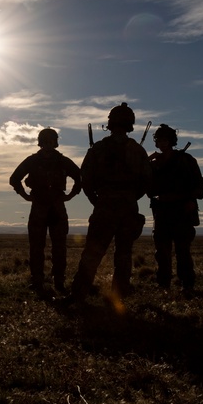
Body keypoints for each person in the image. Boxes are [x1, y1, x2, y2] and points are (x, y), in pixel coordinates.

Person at [67, 103, 152, 305]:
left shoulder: (98, 149)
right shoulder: (138, 150)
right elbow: (147, 182)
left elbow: (85, 179)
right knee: (123, 255)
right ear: (130, 124)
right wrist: (130, 197)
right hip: (128, 207)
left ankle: (78, 296)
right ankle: (119, 297)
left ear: (110, 123)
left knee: (93, 253)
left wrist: (97, 200)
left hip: (104, 205)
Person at [9, 128, 82, 295]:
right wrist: (25, 195)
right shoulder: (33, 160)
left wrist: (70, 195)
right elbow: (14, 178)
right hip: (39, 206)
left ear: (55, 142)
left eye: (51, 141)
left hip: (56, 207)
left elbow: (79, 177)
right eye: (46, 141)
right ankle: (37, 281)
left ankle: (59, 282)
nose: (48, 144)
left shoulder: (62, 161)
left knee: (59, 247)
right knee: (36, 246)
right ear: (41, 142)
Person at [148, 124, 203, 295]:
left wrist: (189, 200)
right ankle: (163, 284)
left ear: (171, 141)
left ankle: (187, 284)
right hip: (162, 211)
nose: (162, 143)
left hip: (182, 212)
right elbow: (147, 187)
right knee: (162, 252)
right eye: (159, 140)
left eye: (165, 139)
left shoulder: (186, 160)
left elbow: (199, 185)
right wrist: (147, 164)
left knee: (183, 251)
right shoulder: (153, 163)